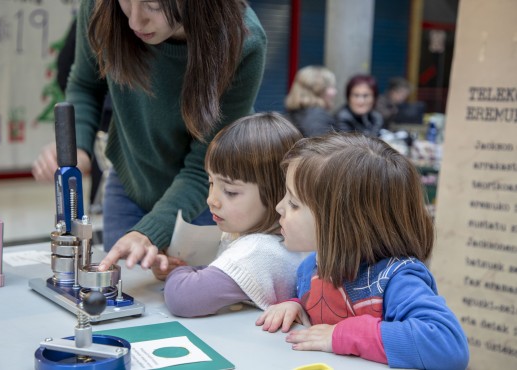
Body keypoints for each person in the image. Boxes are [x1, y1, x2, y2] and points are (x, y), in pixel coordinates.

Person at [31, 0, 267, 277]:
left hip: (204, 197)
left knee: (186, 300)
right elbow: (84, 84)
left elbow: (202, 167)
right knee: (121, 288)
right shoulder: (101, 6)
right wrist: (78, 147)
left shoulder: (242, 41)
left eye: (153, 5)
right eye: (126, 2)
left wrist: (152, 231)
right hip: (130, 179)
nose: (134, 22)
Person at [255, 133, 469, 369]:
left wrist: (343, 336)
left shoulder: (397, 280)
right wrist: (296, 306)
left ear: (345, 223)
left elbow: (448, 346)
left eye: (294, 203)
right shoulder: (313, 265)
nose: (279, 207)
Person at [162, 112, 308, 317]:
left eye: (230, 191)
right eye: (211, 183)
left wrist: (177, 272)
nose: (211, 199)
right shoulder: (273, 241)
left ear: (278, 193)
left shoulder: (258, 250)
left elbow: (183, 298)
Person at [283, 66, 337, 137]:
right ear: (318, 90)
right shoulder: (317, 119)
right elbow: (320, 147)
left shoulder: (295, 113)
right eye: (330, 87)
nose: (335, 92)